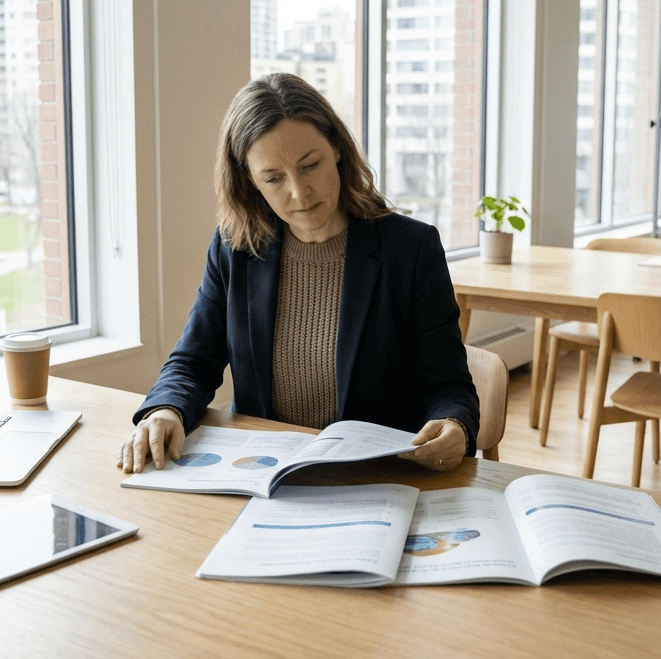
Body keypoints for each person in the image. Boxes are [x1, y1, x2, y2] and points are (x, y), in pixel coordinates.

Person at [118, 73, 480, 473]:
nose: (299, 192)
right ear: (249, 181)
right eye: (273, 178)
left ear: (338, 150)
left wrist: (455, 424)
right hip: (265, 472)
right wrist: (166, 409)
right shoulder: (235, 247)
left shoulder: (411, 249)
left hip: (375, 476)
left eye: (311, 165)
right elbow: (193, 361)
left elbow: (447, 384)